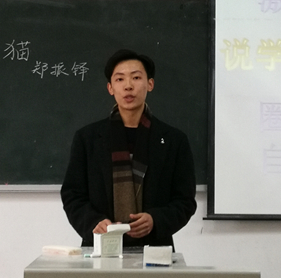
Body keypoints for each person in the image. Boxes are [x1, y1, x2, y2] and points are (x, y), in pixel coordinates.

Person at [60, 49, 197, 249]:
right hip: (101, 246)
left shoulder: (174, 140)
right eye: (120, 79)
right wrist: (93, 223)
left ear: (150, 84)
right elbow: (73, 195)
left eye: (136, 77)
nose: (128, 86)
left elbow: (185, 200)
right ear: (110, 88)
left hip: (155, 249)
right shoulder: (87, 138)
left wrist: (155, 220)